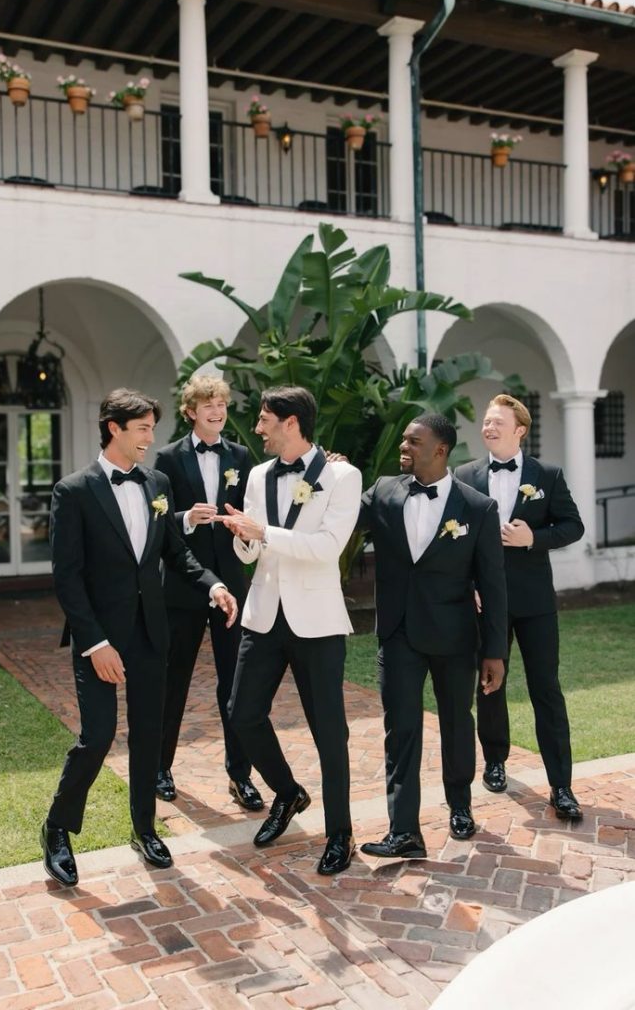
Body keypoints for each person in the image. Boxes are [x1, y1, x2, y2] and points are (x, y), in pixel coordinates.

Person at [41, 388, 237, 887]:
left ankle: (145, 829)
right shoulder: (74, 490)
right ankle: (58, 828)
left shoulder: (158, 482)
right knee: (98, 736)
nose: (151, 438)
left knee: (149, 735)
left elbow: (174, 552)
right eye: (143, 429)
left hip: (152, 631)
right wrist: (96, 643)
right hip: (101, 638)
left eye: (153, 427)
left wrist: (212, 584)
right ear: (114, 428)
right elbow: (68, 577)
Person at [217, 386, 362, 876]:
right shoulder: (258, 475)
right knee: (241, 713)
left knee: (329, 732)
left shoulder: (342, 476)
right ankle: (288, 792)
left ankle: (340, 832)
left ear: (292, 422)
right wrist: (243, 540)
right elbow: (254, 554)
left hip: (317, 623)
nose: (257, 428)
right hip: (263, 614)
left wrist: (264, 533)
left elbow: (326, 547)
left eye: (264, 420)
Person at [358, 413, 507, 859]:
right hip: (399, 633)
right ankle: (404, 830)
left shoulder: (478, 508)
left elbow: (493, 586)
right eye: (404, 439)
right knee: (400, 729)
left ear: (439, 451)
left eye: (412, 441)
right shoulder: (383, 491)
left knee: (457, 723)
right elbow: (340, 515)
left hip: (455, 637)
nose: (403, 446)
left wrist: (494, 652)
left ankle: (460, 806)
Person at [454, 394, 585, 821]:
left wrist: (535, 538)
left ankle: (561, 785)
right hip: (484, 603)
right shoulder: (465, 475)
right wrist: (469, 584)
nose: (488, 427)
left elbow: (573, 525)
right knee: (490, 684)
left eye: (497, 422)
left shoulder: (547, 474)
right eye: (486, 421)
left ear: (519, 430)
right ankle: (495, 760)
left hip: (535, 603)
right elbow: (456, 539)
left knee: (545, 688)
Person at [153, 375, 263, 811]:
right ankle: (161, 768)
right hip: (181, 587)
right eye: (207, 405)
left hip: (231, 584)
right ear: (191, 411)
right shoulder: (166, 458)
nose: (217, 411)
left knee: (233, 684)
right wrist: (185, 517)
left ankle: (241, 775)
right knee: (172, 680)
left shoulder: (240, 456)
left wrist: (241, 525)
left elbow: (251, 515)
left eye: (221, 404)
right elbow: (158, 522)